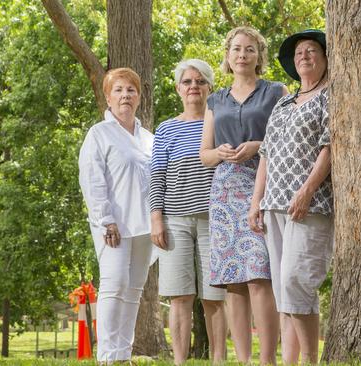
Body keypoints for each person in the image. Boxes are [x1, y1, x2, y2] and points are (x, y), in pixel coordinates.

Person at [200, 26, 288, 365]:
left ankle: (267, 360)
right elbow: (203, 154)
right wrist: (219, 153)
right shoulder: (215, 100)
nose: (242, 55)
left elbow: (286, 139)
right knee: (234, 280)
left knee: (259, 274)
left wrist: (258, 145)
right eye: (236, 49)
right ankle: (244, 361)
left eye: (249, 49)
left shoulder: (276, 92)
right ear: (227, 55)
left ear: (259, 57)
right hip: (223, 192)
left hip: (263, 185)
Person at [248, 29, 333, 364]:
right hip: (273, 204)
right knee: (283, 289)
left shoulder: (331, 96)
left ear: (326, 59)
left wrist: (308, 189)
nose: (304, 56)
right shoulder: (283, 102)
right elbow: (266, 154)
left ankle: (311, 360)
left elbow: (330, 146)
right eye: (299, 53)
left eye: (312, 50)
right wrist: (256, 202)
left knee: (297, 279)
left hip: (309, 203)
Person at [149, 59, 227, 364]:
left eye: (200, 81)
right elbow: (157, 177)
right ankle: (180, 362)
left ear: (209, 87)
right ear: (179, 89)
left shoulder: (221, 121)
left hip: (215, 220)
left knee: (215, 297)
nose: (193, 86)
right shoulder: (166, 129)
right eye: (187, 82)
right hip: (175, 220)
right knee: (179, 296)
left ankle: (219, 360)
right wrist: (157, 218)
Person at [78, 67, 154, 363]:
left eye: (131, 90)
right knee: (114, 284)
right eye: (118, 90)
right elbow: (92, 180)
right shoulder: (99, 134)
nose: (125, 95)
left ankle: (123, 354)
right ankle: (107, 356)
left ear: (139, 97)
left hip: (145, 225)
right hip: (114, 225)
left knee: (134, 289)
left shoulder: (148, 138)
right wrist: (105, 219)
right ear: (108, 99)